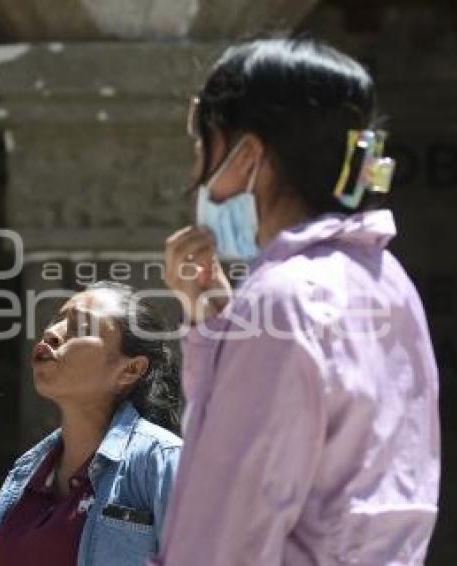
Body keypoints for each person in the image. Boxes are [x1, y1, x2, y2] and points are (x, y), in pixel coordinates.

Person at [156, 39, 440, 565]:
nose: (195, 168)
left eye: (204, 144)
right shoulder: (388, 279)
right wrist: (219, 320)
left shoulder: (284, 300)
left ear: (248, 155)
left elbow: (228, 530)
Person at [0, 282, 182, 566]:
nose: (52, 332)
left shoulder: (162, 462)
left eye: (81, 327)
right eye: (57, 319)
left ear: (130, 369)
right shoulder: (25, 473)